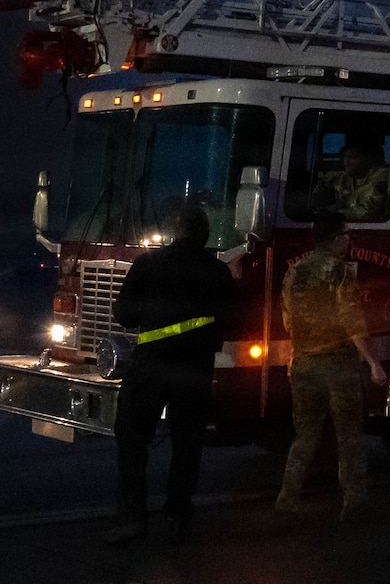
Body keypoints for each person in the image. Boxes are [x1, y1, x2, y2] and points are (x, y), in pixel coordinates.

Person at [107, 203, 238, 545]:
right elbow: (233, 321)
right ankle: (178, 511)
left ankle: (133, 519)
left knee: (132, 438)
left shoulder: (148, 264)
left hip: (151, 365)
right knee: (188, 442)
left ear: (175, 231)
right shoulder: (218, 271)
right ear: (204, 234)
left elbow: (125, 316)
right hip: (195, 369)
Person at [276, 214, 388, 521]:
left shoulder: (294, 272)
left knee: (305, 435)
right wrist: (373, 363)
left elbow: (287, 320)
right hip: (338, 366)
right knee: (349, 436)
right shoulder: (340, 271)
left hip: (303, 365)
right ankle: (354, 502)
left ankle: (287, 498)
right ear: (336, 238)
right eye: (347, 234)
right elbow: (351, 319)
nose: (349, 240)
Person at [315, 143, 390, 222]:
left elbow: (370, 212)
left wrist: (337, 214)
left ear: (368, 159)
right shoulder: (343, 178)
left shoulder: (381, 179)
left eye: (352, 157)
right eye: (344, 157)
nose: (346, 161)